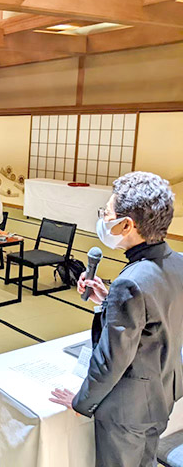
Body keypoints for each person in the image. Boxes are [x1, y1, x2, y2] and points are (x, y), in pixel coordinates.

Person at [49, 171, 183, 467]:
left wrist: (80, 401)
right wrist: (108, 302)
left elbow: (111, 361)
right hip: (163, 394)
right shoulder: (179, 262)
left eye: (106, 214)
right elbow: (158, 320)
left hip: (127, 408)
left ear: (127, 225)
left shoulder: (131, 282)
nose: (103, 220)